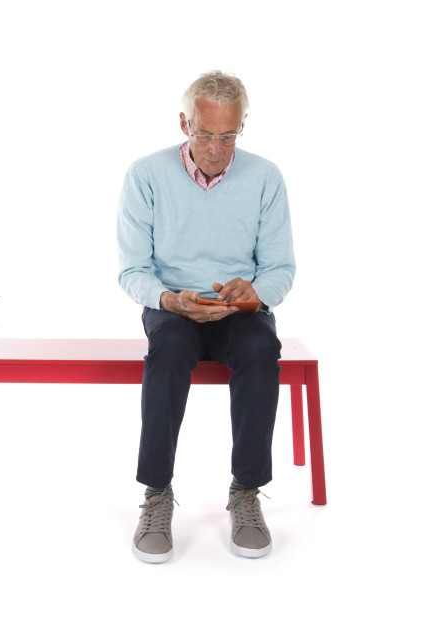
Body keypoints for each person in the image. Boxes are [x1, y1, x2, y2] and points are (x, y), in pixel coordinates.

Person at [117, 70, 295, 563]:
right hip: (174, 306)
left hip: (240, 310)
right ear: (183, 123)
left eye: (228, 135)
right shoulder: (146, 175)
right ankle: (156, 494)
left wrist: (255, 294)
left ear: (242, 127)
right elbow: (132, 270)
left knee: (262, 349)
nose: (216, 148)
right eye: (205, 133)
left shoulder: (265, 177)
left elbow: (280, 268)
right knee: (169, 350)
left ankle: (246, 491)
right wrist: (170, 298)